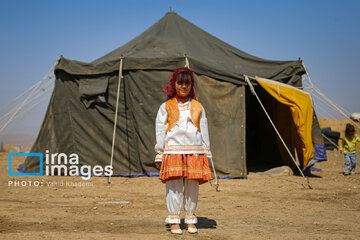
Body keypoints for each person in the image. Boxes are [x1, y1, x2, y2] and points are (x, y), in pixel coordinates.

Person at [154, 67, 212, 234]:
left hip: (194, 150)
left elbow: (204, 129)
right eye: (180, 83)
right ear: (174, 84)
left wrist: (206, 151)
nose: (184, 86)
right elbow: (160, 129)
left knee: (192, 186)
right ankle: (174, 220)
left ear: (191, 85)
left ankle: (190, 219)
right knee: (174, 186)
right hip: (173, 151)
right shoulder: (166, 106)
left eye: (187, 83)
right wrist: (160, 153)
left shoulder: (198, 106)